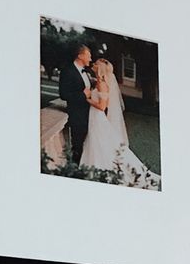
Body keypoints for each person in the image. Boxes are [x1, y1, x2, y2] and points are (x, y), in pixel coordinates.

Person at [80, 58, 159, 188]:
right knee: (98, 143)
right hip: (94, 117)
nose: (93, 64)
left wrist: (87, 98)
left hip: (98, 118)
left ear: (100, 69)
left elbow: (102, 106)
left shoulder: (102, 84)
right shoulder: (99, 82)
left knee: (98, 142)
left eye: (96, 64)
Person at [58, 43, 93, 163]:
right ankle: (75, 169)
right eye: (88, 56)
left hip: (89, 114)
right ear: (80, 56)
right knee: (77, 145)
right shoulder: (67, 71)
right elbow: (63, 94)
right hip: (77, 115)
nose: (90, 59)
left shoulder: (85, 72)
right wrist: (83, 95)